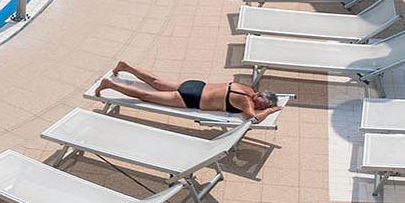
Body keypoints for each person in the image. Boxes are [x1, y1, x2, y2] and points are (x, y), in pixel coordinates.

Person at [94, 60, 282, 123]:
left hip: (196, 85)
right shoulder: (246, 101)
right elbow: (253, 119)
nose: (259, 107)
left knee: (157, 82)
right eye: (261, 104)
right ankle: (110, 85)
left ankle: (126, 67)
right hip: (192, 98)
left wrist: (264, 106)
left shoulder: (247, 88)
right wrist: (271, 110)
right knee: (146, 96)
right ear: (259, 97)